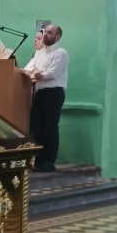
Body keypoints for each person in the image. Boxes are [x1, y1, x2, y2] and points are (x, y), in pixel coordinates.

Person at [23, 24, 67, 171]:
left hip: (54, 93)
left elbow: (51, 74)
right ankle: (39, 159)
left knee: (50, 127)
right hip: (40, 92)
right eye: (45, 32)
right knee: (36, 126)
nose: (45, 35)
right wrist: (36, 71)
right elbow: (28, 68)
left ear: (57, 37)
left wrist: (37, 73)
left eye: (49, 32)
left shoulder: (61, 53)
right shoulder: (40, 53)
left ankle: (49, 160)